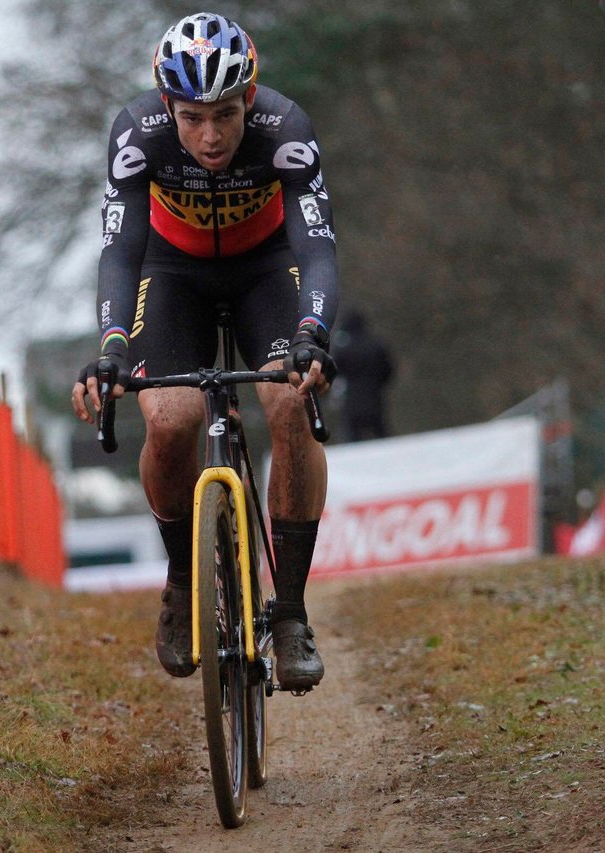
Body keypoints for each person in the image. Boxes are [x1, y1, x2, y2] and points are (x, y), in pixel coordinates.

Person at [72, 12, 339, 690]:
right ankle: (184, 577)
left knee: (288, 399)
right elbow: (120, 247)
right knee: (169, 419)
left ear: (249, 98)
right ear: (169, 107)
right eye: (192, 117)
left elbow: (316, 246)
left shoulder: (287, 130)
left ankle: (289, 612)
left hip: (265, 270)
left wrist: (311, 333)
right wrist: (109, 347)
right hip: (173, 273)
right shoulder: (137, 134)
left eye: (224, 114)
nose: (210, 136)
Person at [333, 310, 394, 442]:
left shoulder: (343, 348)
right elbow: (388, 369)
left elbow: (335, 372)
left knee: (352, 440)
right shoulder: (376, 344)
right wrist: (379, 383)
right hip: (374, 396)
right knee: (381, 435)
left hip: (351, 399)